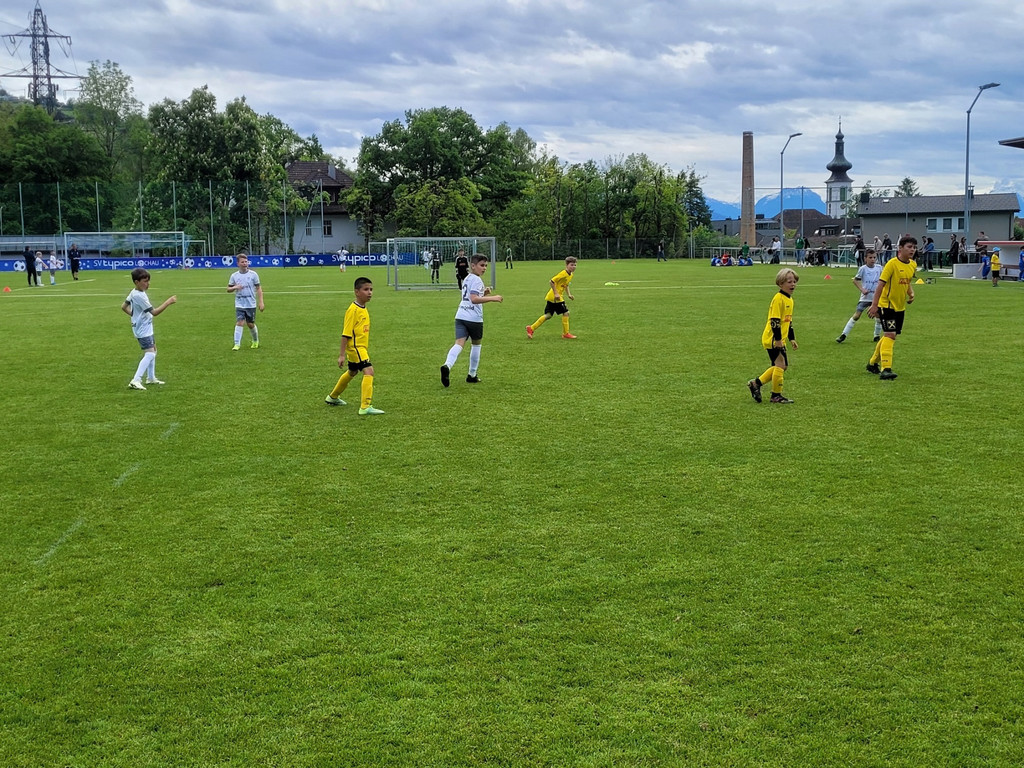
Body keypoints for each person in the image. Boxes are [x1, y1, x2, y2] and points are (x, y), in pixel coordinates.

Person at [440, 254, 503, 387]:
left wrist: (484, 294)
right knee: (476, 344)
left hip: (461, 315)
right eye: (481, 265)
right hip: (474, 318)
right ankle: (472, 375)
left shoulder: (467, 278)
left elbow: (470, 297)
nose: (484, 268)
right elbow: (474, 299)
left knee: (459, 343)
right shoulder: (477, 280)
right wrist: (493, 298)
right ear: (473, 266)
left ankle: (447, 365)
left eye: (486, 265)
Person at [324, 277, 384, 415]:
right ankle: (365, 406)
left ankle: (332, 397)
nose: (369, 293)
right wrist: (341, 355)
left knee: (352, 372)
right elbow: (346, 334)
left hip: (359, 347)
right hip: (357, 348)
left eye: (371, 289)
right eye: (366, 289)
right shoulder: (353, 310)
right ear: (357, 292)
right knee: (369, 371)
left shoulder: (362, 308)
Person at [866, 235, 917, 381]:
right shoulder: (891, 264)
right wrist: (875, 305)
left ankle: (872, 363)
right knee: (890, 335)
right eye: (909, 247)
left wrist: (911, 293)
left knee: (889, 335)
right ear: (900, 248)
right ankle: (886, 369)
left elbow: (906, 282)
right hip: (886, 305)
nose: (912, 250)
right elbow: (880, 285)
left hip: (900, 307)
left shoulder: (912, 265)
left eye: (914, 247)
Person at [747, 268, 799, 405]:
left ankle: (756, 383)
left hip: (779, 339)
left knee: (782, 365)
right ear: (780, 283)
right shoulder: (778, 299)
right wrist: (777, 340)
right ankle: (776, 395)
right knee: (780, 365)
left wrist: (791, 338)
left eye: (794, 281)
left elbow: (788, 321)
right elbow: (775, 321)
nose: (793, 284)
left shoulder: (789, 299)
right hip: (773, 338)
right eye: (789, 282)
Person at [122, 268, 176, 390]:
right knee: (150, 354)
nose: (148, 284)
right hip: (143, 329)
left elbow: (124, 307)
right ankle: (136, 379)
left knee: (153, 350)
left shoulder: (134, 292)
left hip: (145, 327)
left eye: (148, 281)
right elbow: (155, 312)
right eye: (145, 281)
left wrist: (134, 316)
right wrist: (168, 302)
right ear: (137, 282)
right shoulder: (139, 296)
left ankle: (151, 378)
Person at [836, 249, 883, 343]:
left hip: (876, 298)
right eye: (870, 257)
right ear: (865, 258)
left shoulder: (879, 268)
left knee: (878, 316)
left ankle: (876, 335)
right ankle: (843, 334)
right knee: (857, 315)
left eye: (874, 257)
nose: (872, 259)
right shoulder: (863, 269)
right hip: (865, 298)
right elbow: (855, 280)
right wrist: (862, 289)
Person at [526, 256, 578, 339]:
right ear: (566, 265)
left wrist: (569, 294)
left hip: (552, 297)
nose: (573, 267)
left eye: (575, 265)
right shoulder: (563, 274)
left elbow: (566, 284)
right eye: (571, 265)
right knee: (566, 313)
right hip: (555, 297)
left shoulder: (570, 275)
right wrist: (556, 293)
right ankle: (566, 333)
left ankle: (531, 328)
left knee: (548, 315)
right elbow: (551, 281)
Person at [227, 253, 264, 350]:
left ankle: (255, 340)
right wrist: (235, 287)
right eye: (242, 262)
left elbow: (259, 288)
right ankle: (236, 344)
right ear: (238, 264)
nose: (245, 264)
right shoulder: (234, 276)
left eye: (246, 262)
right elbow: (228, 289)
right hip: (239, 303)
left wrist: (261, 302)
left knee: (250, 324)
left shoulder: (253, 275)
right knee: (239, 322)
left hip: (250, 303)